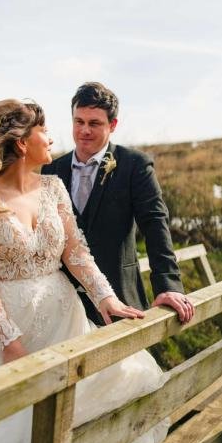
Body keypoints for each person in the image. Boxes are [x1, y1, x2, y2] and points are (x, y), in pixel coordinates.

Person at [0, 98, 170, 443]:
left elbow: (76, 253)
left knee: (109, 393)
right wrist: (8, 340)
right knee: (9, 425)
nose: (52, 138)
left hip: (65, 321)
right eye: (44, 130)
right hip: (10, 329)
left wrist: (106, 297)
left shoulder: (53, 187)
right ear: (22, 142)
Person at [42, 82, 194, 326]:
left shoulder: (135, 165)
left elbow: (155, 224)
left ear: (112, 125)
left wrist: (168, 285)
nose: (84, 131)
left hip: (120, 298)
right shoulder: (51, 169)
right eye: (78, 121)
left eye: (94, 123)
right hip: (64, 305)